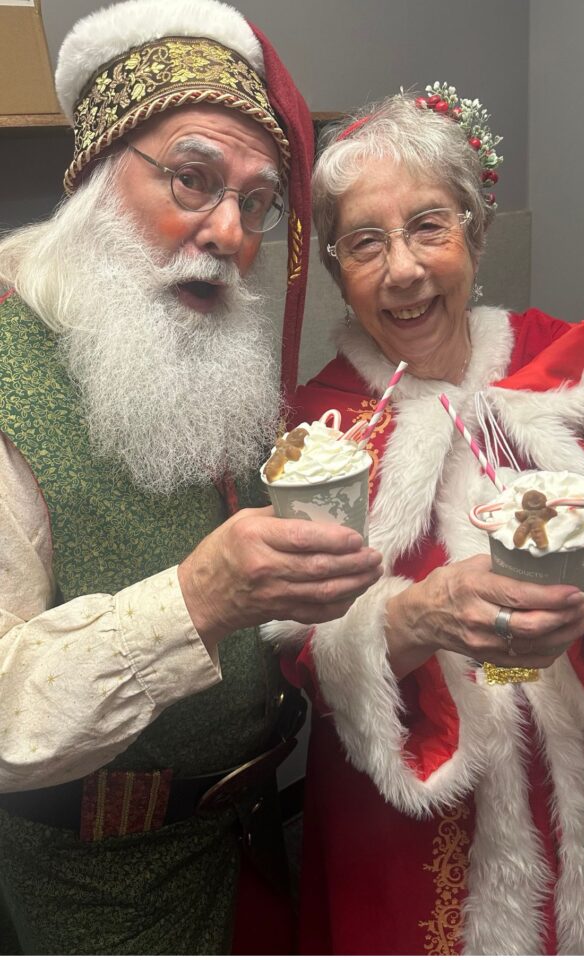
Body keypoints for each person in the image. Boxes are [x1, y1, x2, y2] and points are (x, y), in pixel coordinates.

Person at [0, 0, 383, 953]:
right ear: (96, 171)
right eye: (191, 178)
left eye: (255, 203)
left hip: (252, 841)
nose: (226, 231)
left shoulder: (205, 347)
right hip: (93, 891)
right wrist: (199, 597)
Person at [267, 84, 584, 955]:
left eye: (428, 226)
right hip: (408, 821)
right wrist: (414, 617)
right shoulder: (318, 428)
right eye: (365, 243)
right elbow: (295, 646)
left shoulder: (560, 368)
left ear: (474, 232)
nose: (402, 270)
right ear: (336, 271)